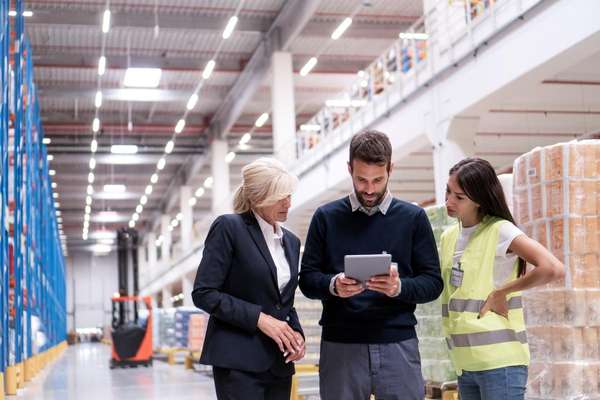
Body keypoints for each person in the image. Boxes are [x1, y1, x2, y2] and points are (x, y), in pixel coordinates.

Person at [299, 130, 443, 400]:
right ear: (349, 169)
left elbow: (433, 283)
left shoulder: (413, 218)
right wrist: (333, 285)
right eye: (361, 179)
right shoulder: (325, 217)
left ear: (391, 168)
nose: (369, 189)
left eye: (378, 180)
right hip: (341, 344)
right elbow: (307, 279)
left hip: (398, 342)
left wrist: (398, 287)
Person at [440, 157, 564, 400]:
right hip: (465, 363)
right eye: (448, 191)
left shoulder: (499, 230)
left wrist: (502, 292)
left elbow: (552, 267)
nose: (449, 201)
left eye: (459, 197)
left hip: (500, 364)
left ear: (478, 200)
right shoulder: (448, 237)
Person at [192, 157, 305, 400]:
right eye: (280, 196)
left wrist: (296, 335)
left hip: (279, 362)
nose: (288, 202)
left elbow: (284, 301)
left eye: (289, 195)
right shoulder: (229, 228)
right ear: (258, 197)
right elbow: (204, 293)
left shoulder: (292, 242)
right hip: (238, 361)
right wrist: (259, 319)